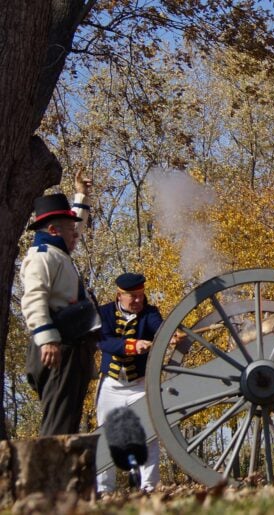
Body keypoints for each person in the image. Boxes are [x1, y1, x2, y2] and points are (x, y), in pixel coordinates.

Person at [21, 171, 95, 436]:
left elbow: (75, 224)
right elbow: (33, 299)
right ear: (53, 230)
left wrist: (81, 196)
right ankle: (46, 465)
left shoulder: (56, 251)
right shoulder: (42, 257)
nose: (76, 235)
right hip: (58, 345)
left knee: (68, 423)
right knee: (58, 427)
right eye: (70, 231)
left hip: (71, 345)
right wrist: (48, 339)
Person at [95, 272, 162, 494]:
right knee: (105, 435)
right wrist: (131, 346)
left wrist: (170, 335)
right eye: (133, 296)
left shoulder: (150, 313)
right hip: (111, 385)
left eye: (141, 295)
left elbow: (159, 327)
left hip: (139, 384)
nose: (138, 300)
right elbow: (104, 341)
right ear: (119, 295)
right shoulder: (104, 313)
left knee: (149, 434)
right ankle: (104, 489)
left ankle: (150, 487)